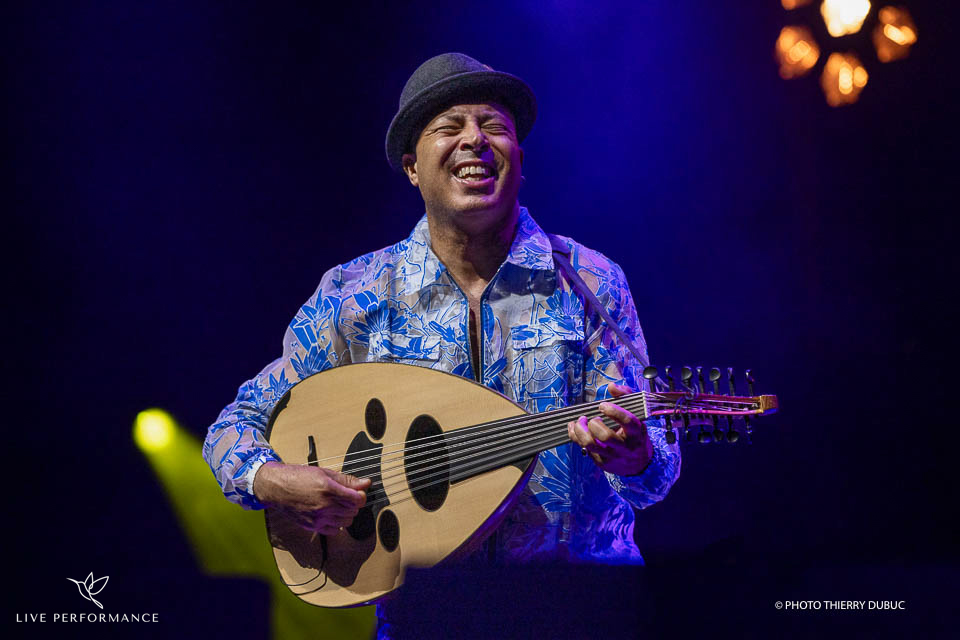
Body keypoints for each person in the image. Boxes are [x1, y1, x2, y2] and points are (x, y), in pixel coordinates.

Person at [203, 52, 681, 633]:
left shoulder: (590, 282)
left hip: (580, 610)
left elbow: (656, 473)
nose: (474, 140)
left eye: (494, 127)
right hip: (427, 620)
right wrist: (273, 480)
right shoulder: (354, 294)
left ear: (520, 160)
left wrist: (638, 458)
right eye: (449, 127)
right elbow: (235, 426)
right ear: (412, 167)